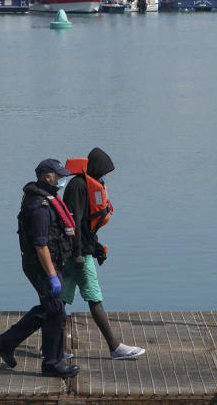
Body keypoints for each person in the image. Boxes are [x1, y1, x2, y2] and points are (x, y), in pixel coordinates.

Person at [0, 159, 80, 378]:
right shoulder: (40, 206)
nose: (61, 180)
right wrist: (53, 277)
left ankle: (7, 341)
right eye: (58, 176)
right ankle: (51, 363)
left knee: (53, 309)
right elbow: (41, 246)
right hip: (41, 266)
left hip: (48, 263)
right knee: (56, 311)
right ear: (46, 177)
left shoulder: (46, 198)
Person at [62, 147, 146, 360]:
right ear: (96, 168)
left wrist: (96, 247)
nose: (105, 176)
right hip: (77, 255)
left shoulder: (86, 185)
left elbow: (87, 227)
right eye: (104, 171)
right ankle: (115, 347)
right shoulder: (78, 186)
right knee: (95, 299)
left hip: (75, 252)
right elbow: (74, 223)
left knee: (59, 302)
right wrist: (79, 253)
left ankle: (53, 347)